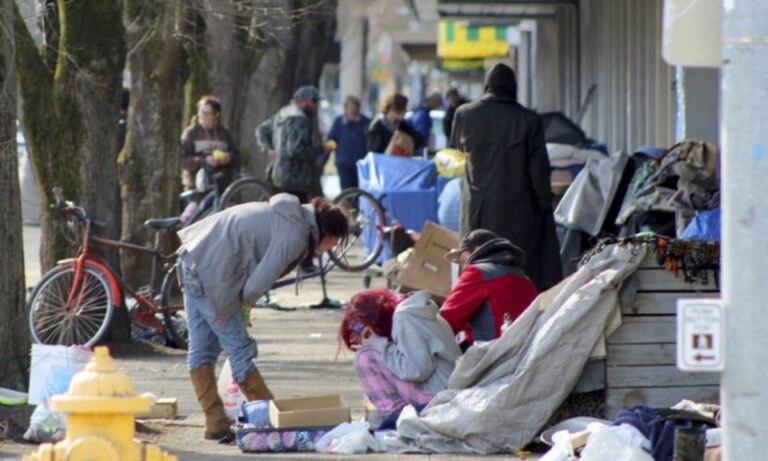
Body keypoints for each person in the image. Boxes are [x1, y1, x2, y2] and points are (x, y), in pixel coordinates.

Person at [177, 193, 349, 440]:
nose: (330, 248)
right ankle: (272, 420)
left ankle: (215, 421)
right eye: (334, 243)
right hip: (212, 273)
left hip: (192, 257)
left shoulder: (292, 216)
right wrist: (244, 306)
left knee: (201, 349)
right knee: (240, 348)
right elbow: (256, 285)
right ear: (330, 235)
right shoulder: (295, 234)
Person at [450, 63, 563, 291]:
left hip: (477, 211)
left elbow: (458, 147)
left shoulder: (464, 114)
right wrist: (544, 205)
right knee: (518, 271)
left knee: (478, 267)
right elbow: (538, 170)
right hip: (518, 211)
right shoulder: (528, 120)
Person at [339, 289, 461, 421]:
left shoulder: (404, 317)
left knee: (364, 356)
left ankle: (396, 417)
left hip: (439, 397)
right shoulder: (415, 311)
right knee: (372, 352)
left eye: (359, 327)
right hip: (448, 389)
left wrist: (378, 343)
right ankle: (397, 416)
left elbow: (416, 371)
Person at [440, 229, 538, 349]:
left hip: (488, 354)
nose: (464, 265)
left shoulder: (477, 272)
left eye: (463, 258)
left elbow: (447, 318)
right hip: (525, 352)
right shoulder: (527, 281)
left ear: (476, 250)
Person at [256, 85, 329, 204]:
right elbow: (295, 150)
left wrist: (269, 148)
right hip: (296, 179)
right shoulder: (300, 120)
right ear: (301, 101)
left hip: (279, 175)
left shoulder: (283, 115)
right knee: (297, 212)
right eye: (314, 101)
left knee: (282, 210)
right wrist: (320, 149)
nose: (316, 105)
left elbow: (261, 130)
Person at [180, 95, 240, 193]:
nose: (202, 116)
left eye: (206, 113)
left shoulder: (225, 133)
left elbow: (237, 156)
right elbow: (182, 159)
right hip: (196, 186)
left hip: (222, 185)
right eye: (200, 112)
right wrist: (203, 160)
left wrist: (227, 158)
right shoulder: (191, 133)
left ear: (216, 115)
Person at [327, 95, 371, 190]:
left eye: (354, 107)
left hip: (360, 163)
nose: (351, 109)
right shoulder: (338, 122)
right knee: (346, 189)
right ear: (345, 107)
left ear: (357, 108)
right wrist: (334, 149)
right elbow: (332, 139)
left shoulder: (365, 122)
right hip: (343, 163)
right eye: (349, 107)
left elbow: (370, 141)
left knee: (359, 189)